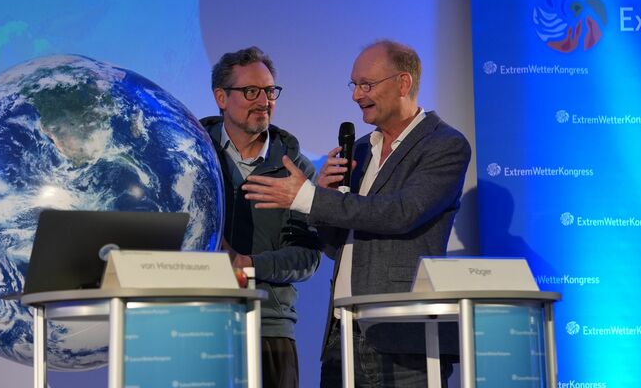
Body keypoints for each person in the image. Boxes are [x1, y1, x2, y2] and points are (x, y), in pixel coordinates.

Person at [242, 39, 471, 387]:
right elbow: (339, 247)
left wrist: (310, 198)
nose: (355, 95)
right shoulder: (361, 149)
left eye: (367, 85)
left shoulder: (445, 145)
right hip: (342, 332)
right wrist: (327, 198)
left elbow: (402, 212)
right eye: (354, 85)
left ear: (403, 83)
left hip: (405, 339)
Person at [200, 46, 321, 388]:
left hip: (269, 327)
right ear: (221, 97)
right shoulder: (191, 155)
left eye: (269, 91)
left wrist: (246, 264)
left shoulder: (295, 169)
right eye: (251, 91)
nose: (264, 101)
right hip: (196, 321)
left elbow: (307, 256)